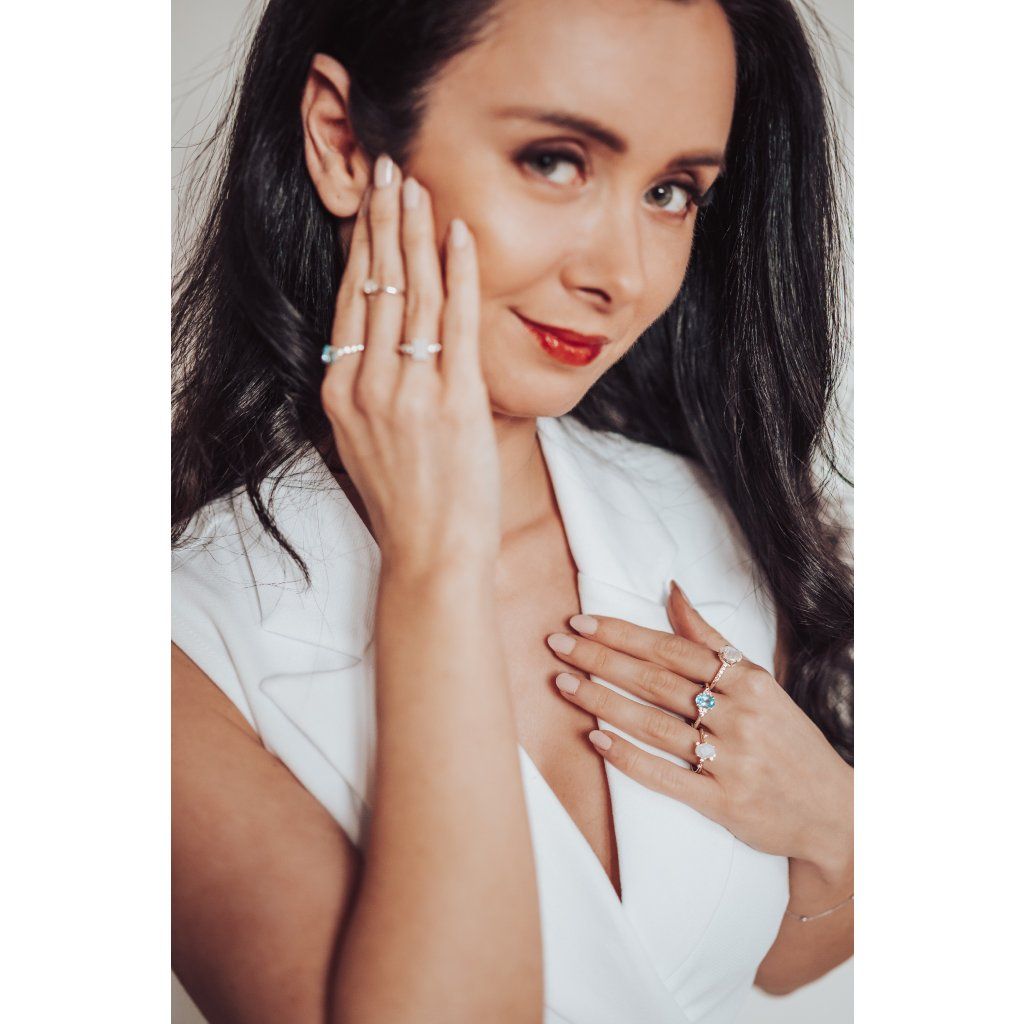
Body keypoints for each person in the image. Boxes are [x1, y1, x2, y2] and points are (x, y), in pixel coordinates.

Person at [171, 0, 854, 1021]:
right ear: (343, 141)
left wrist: (841, 826)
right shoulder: (179, 650)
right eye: (555, 161)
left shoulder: (716, 517)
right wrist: (436, 565)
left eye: (671, 191)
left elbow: (775, 972)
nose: (621, 275)